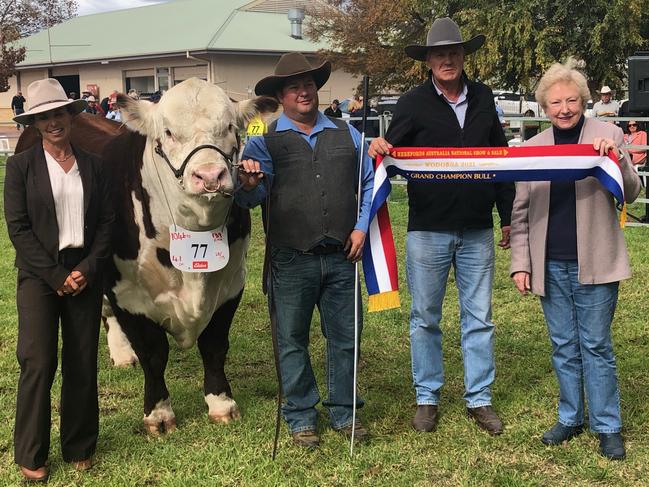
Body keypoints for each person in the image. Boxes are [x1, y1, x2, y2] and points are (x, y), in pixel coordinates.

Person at [369, 17, 514, 436]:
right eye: (439, 54)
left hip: (476, 228)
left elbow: (500, 160)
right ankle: (427, 396)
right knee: (425, 317)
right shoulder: (412, 103)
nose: (447, 59)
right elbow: (389, 148)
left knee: (479, 317)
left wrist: (506, 217)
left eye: (453, 52)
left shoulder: (485, 98)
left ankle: (479, 398)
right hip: (427, 229)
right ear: (428, 61)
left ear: (463, 56)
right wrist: (380, 147)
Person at [234, 52, 374, 448]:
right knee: (291, 340)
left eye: (309, 84)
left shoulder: (349, 134)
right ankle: (300, 415)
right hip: (291, 258)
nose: (304, 92)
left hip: (343, 256)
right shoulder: (263, 143)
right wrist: (247, 185)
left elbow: (368, 185)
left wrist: (361, 228)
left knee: (347, 338)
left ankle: (345, 412)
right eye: (294, 87)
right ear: (282, 96)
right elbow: (250, 200)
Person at [509, 59, 641, 460]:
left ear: (583, 100)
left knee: (596, 344)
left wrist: (615, 158)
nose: (564, 108)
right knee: (563, 345)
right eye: (555, 103)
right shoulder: (532, 149)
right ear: (544, 109)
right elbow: (520, 210)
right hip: (549, 262)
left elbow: (632, 193)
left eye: (571, 100)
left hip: (596, 261)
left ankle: (607, 425)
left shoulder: (609, 134)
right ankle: (570, 417)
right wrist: (521, 262)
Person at [4, 78, 114, 481]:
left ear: (71, 116)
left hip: (84, 269)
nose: (53, 122)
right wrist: (54, 275)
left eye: (59, 114)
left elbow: (106, 223)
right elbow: (17, 229)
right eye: (44, 117)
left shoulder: (94, 165)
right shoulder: (20, 167)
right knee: (38, 360)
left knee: (82, 359)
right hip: (38, 275)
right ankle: (31, 450)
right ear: (34, 123)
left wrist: (85, 269)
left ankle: (79, 443)